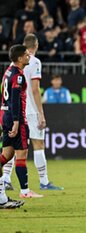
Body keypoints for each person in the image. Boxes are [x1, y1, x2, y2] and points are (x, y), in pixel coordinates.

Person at [2, 34, 63, 192]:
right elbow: (35, 90)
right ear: (35, 45)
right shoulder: (35, 61)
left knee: (11, 148)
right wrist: (41, 113)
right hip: (28, 111)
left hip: (12, 111)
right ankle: (43, 182)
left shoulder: (12, 65)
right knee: (37, 144)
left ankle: (6, 178)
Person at [0, 45, 36, 206]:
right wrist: (16, 121)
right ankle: (25, 191)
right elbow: (14, 98)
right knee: (21, 155)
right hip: (17, 119)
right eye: (27, 55)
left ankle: (7, 194)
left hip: (5, 116)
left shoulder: (8, 71)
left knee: (6, 155)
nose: (29, 56)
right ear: (20, 58)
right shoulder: (18, 76)